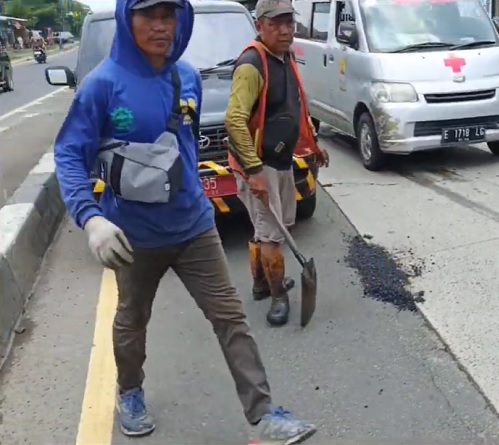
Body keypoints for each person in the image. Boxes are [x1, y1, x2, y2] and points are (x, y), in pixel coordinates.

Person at [53, 0, 317, 443]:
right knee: (132, 319)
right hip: (133, 236)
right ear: (126, 18)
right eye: (148, 15)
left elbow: (186, 149)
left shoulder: (188, 77)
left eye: (168, 15)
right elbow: (68, 155)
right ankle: (131, 392)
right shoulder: (101, 86)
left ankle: (264, 414)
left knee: (231, 317)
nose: (160, 26)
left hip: (194, 227)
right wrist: (91, 218)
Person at [225, 0, 327, 326]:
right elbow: (234, 121)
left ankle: (260, 284)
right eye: (276, 23)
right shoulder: (252, 65)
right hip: (261, 164)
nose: (285, 30)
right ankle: (278, 297)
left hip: (281, 161)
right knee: (272, 236)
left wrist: (313, 146)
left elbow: (293, 107)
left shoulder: (284, 58)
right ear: (259, 26)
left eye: (289, 23)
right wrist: (254, 171)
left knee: (270, 229)